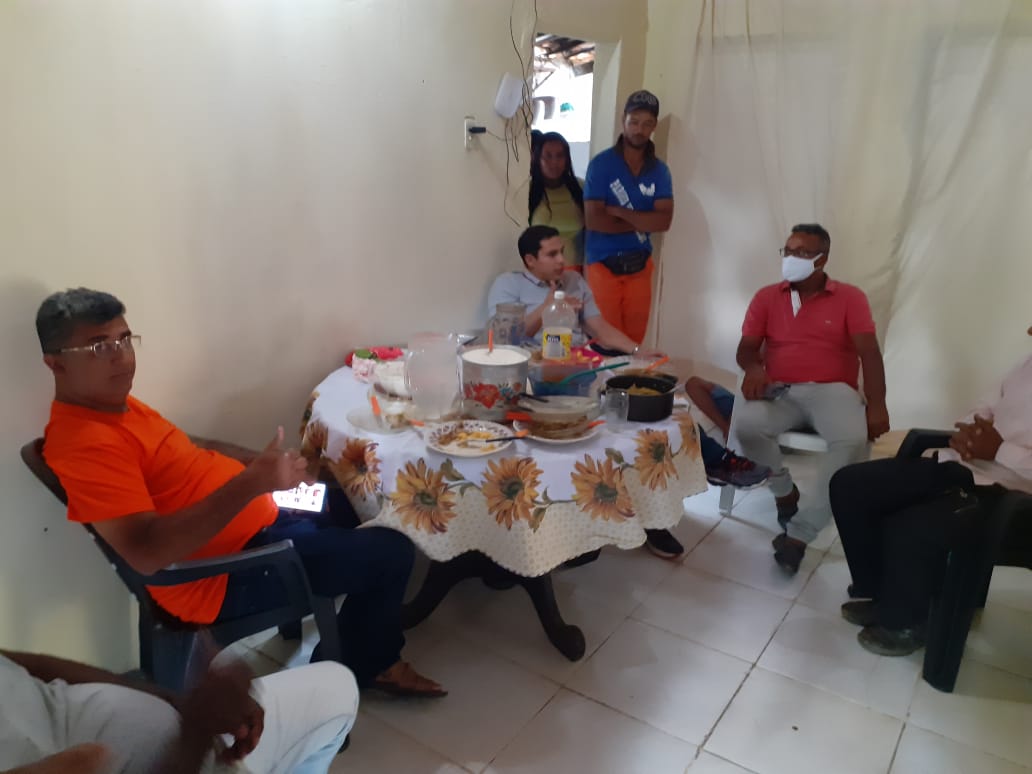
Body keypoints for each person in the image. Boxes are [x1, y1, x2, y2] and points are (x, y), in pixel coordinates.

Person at [36, 288, 444, 698]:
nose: (121, 356)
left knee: (367, 502)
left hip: (266, 514)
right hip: (230, 571)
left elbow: (191, 447)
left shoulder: (116, 406)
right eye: (99, 346)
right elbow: (146, 552)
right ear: (55, 363)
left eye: (125, 339)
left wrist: (260, 464)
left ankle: (356, 644)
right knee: (391, 550)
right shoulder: (83, 444)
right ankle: (367, 665)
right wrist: (252, 483)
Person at [830, 326, 1032, 656]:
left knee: (912, 524)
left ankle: (908, 622)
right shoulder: (1026, 364)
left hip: (1015, 499)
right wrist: (972, 433)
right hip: (966, 466)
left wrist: (1000, 450)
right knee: (851, 486)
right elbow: (984, 406)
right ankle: (882, 594)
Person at [486, 226, 683, 560]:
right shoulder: (508, 285)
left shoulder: (575, 282)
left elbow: (599, 328)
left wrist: (637, 350)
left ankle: (652, 517)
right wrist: (549, 306)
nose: (561, 260)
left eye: (562, 251)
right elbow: (507, 338)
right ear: (530, 260)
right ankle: (574, 521)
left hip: (582, 365)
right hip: (537, 374)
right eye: (552, 254)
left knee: (646, 410)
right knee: (580, 440)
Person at [733, 224, 890, 574]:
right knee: (747, 426)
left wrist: (878, 405)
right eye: (788, 251)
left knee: (851, 440)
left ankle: (799, 535)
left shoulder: (850, 297)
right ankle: (784, 492)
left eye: (802, 252)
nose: (792, 258)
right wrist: (755, 369)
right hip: (781, 389)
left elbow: (869, 353)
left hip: (833, 390)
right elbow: (746, 349)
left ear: (822, 259)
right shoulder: (767, 297)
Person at [0, 647, 356, 773]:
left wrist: (171, 700)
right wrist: (194, 738)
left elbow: (27, 666)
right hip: (189, 757)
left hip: (197, 740)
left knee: (337, 684)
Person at [583, 89, 674, 343]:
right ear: (623, 120)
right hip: (603, 265)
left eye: (646, 124)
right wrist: (644, 220)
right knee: (606, 341)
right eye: (634, 122)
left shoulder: (660, 171)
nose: (639, 130)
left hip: (640, 266)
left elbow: (663, 221)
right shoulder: (601, 165)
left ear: (654, 126)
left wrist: (620, 212)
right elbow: (594, 220)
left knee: (634, 344)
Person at [685, 376, 771, 489]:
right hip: (748, 404)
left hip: (768, 409)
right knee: (693, 384)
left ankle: (719, 462)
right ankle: (726, 435)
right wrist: (728, 424)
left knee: (685, 425)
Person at [529, 131, 585, 269]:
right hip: (540, 272)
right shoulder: (527, 190)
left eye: (560, 156)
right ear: (538, 158)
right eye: (548, 156)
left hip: (577, 270)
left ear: (567, 159)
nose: (554, 162)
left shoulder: (581, 187)